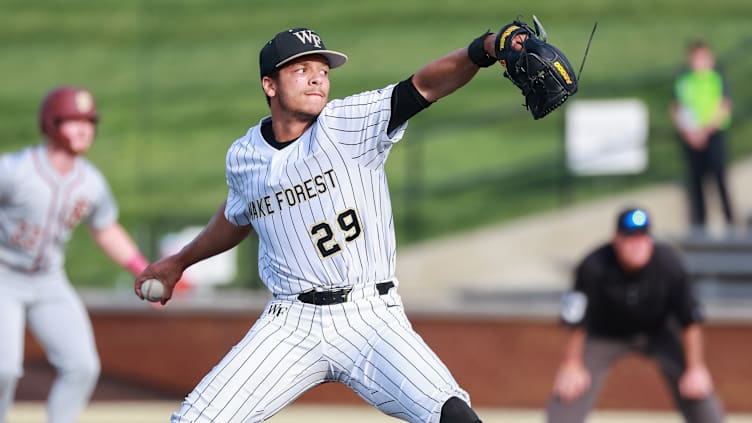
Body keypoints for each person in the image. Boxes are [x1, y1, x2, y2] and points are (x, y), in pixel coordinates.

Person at [133, 24, 530, 422]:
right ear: (270, 85)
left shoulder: (347, 123)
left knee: (454, 416)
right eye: (301, 70)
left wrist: (484, 49)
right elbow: (239, 215)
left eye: (322, 70)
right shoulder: (244, 156)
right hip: (291, 323)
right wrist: (179, 263)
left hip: (371, 316)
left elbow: (424, 86)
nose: (317, 78)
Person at [0, 86, 150, 423]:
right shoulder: (15, 170)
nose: (84, 129)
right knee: (3, 369)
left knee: (82, 366)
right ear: (51, 124)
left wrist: (142, 268)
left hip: (48, 280)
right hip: (3, 277)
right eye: (72, 121)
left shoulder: (90, 182)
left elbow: (105, 228)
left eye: (89, 122)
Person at [546, 207, 725, 423]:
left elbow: (690, 320)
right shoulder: (593, 265)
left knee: (697, 389)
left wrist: (695, 367)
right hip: (604, 334)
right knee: (569, 391)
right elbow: (576, 320)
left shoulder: (669, 264)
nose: (637, 245)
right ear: (616, 240)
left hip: (658, 333)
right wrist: (571, 364)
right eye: (630, 239)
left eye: (642, 238)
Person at [670, 39, 734, 234]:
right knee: (695, 183)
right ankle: (700, 227)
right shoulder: (684, 80)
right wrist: (689, 132)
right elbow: (676, 108)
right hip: (691, 138)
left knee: (719, 180)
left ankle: (730, 224)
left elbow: (724, 106)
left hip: (713, 136)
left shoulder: (716, 78)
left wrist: (705, 131)